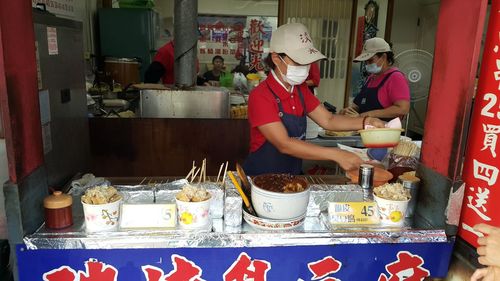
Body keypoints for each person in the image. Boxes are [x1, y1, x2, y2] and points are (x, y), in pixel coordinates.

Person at [243, 23, 385, 176]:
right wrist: (336, 154)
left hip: (292, 176)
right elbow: (284, 144)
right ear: (277, 58)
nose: (305, 68)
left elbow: (328, 120)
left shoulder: (300, 89)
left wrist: (365, 122)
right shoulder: (260, 95)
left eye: (307, 62)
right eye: (298, 62)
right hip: (261, 179)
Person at [340, 37, 410, 120]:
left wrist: (366, 115)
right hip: (365, 128)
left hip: (383, 130)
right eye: (366, 61)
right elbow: (358, 106)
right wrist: (348, 111)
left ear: (383, 57)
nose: (367, 64)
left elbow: (403, 109)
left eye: (370, 61)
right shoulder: (371, 78)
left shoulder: (396, 77)